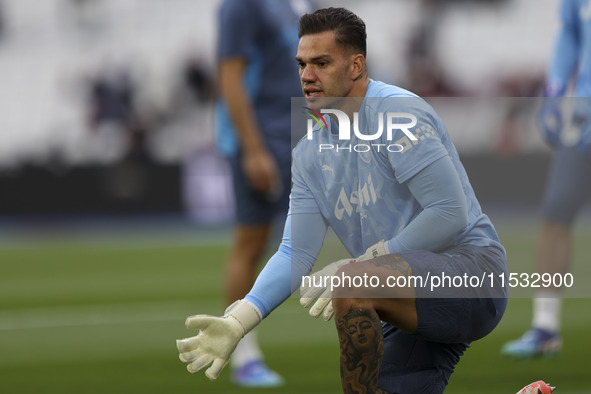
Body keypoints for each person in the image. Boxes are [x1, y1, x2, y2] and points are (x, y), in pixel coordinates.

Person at [178, 7, 508, 393]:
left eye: (321, 63)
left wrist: (365, 262)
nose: (306, 75)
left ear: (356, 66)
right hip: (402, 290)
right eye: (301, 63)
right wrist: (239, 321)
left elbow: (450, 214)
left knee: (351, 283)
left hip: (472, 273)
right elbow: (293, 254)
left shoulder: (397, 114)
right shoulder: (308, 153)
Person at [213, 0, 313, 387]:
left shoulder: (302, 3)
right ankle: (243, 352)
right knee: (252, 241)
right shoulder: (241, 6)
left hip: (303, 133)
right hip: (262, 139)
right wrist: (252, 149)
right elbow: (230, 76)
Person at [501, 0, 591, 359]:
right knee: (555, 213)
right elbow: (570, 31)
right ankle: (545, 328)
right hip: (583, 118)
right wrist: (554, 92)